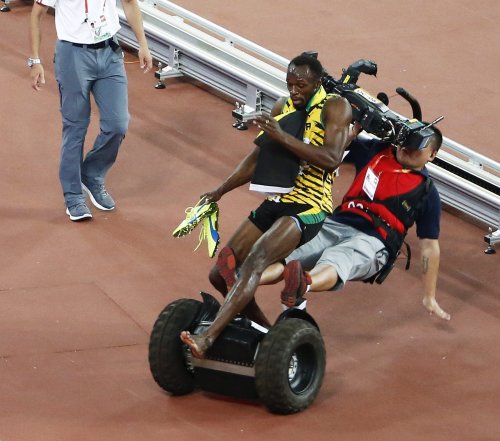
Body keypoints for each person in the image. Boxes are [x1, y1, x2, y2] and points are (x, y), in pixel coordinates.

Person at [180, 53, 353, 357]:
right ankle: (268, 334)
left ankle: (208, 338)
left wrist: (282, 136)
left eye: (301, 85)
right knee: (221, 273)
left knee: (255, 261)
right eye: (290, 85)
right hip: (278, 199)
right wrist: (220, 190)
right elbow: (257, 158)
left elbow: (331, 159)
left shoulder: (335, 107)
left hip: (310, 206)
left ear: (316, 82)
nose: (294, 91)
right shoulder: (281, 108)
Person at [259, 124, 451, 321]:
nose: (407, 148)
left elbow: (429, 247)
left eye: (416, 147)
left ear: (432, 155)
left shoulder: (427, 193)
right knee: (288, 252)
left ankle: (302, 284)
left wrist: (429, 297)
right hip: (336, 223)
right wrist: (350, 133)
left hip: (374, 240)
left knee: (338, 258)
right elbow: (332, 151)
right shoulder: (377, 151)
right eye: (405, 142)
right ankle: (245, 277)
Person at [29, 0, 153, 221]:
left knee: (118, 125)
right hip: (73, 56)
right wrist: (35, 61)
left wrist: (143, 44)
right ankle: (73, 196)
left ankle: (91, 174)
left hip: (109, 52)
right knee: (75, 127)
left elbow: (130, 3)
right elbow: (37, 14)